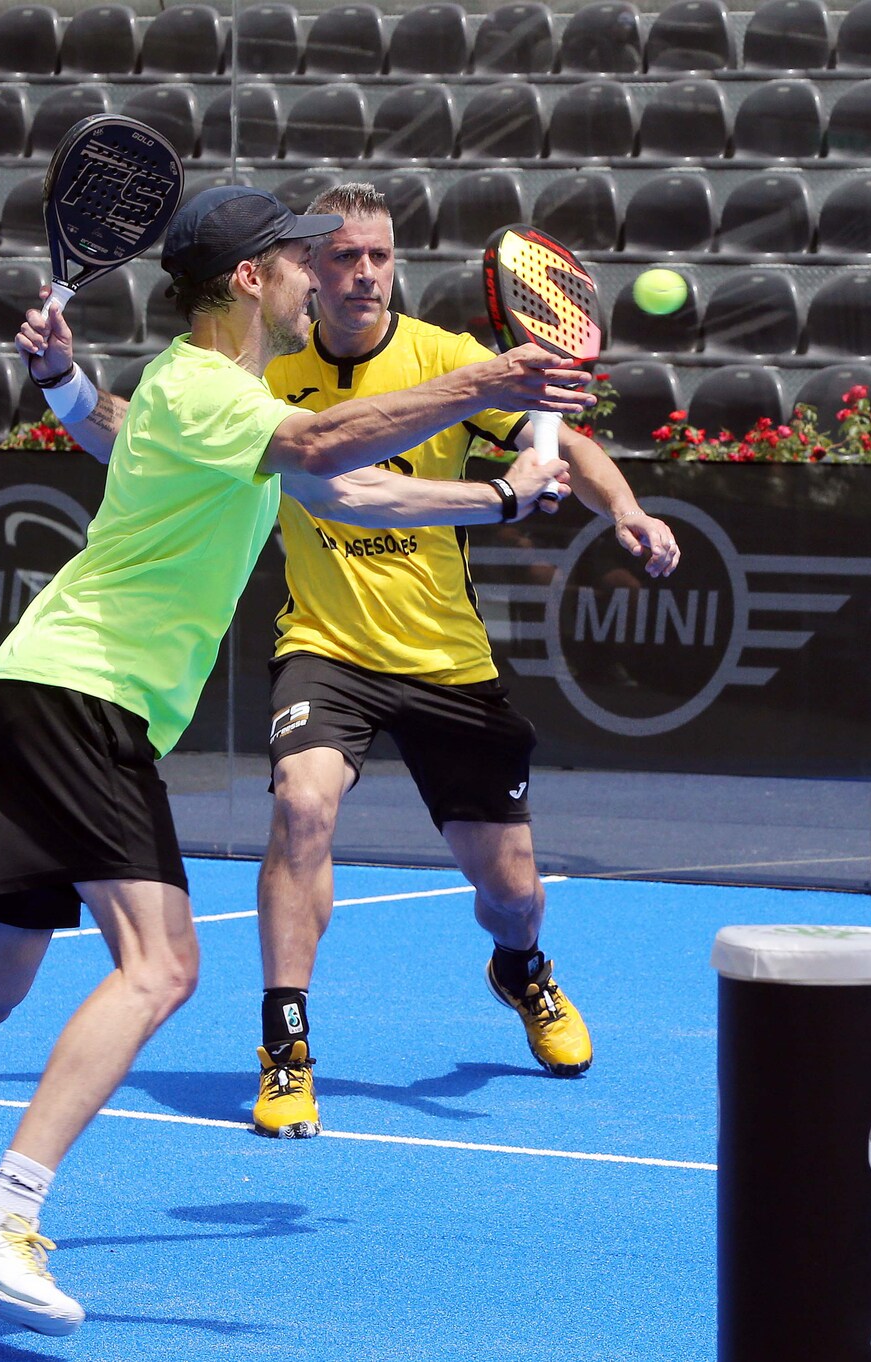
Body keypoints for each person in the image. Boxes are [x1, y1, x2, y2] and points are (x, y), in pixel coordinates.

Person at [0, 186, 593, 1328]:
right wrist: (489, 384)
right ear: (249, 278)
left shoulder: (208, 396)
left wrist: (499, 498)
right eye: (299, 260)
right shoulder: (207, 388)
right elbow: (319, 444)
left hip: (37, 687)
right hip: (85, 697)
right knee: (161, 966)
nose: (316, 277)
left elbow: (339, 484)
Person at [245, 184, 682, 1141]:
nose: (365, 274)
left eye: (380, 257)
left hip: (445, 658)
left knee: (513, 895)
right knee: (302, 805)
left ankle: (521, 971)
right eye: (344, 257)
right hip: (325, 645)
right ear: (311, 268)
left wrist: (626, 511)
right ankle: (285, 1049)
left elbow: (567, 442)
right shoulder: (270, 374)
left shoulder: (446, 360)